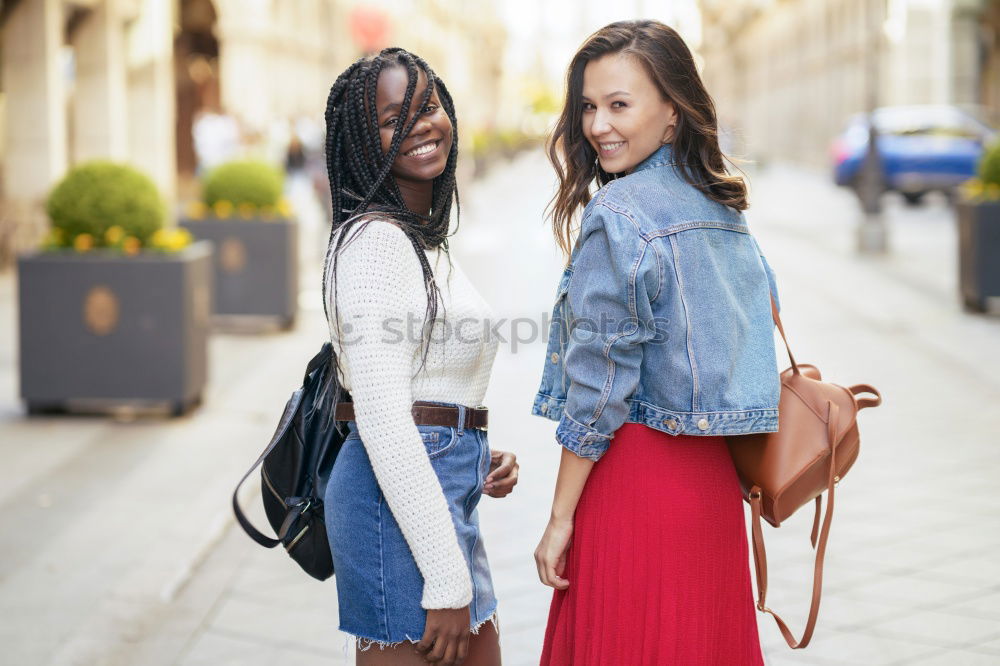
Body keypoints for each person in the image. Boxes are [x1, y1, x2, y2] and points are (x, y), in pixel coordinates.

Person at [532, 20, 781, 665]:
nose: (597, 125)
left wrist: (560, 519)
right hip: (709, 493)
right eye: (588, 106)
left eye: (620, 104)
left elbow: (599, 387)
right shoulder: (723, 209)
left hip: (634, 486)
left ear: (673, 113)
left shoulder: (619, 216)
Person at [321, 47, 518, 666]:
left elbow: (430, 382)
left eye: (428, 105)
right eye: (390, 119)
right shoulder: (375, 243)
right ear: (361, 139)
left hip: (436, 495)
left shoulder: (419, 237)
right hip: (395, 511)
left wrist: (473, 444)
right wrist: (446, 580)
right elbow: (383, 421)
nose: (420, 124)